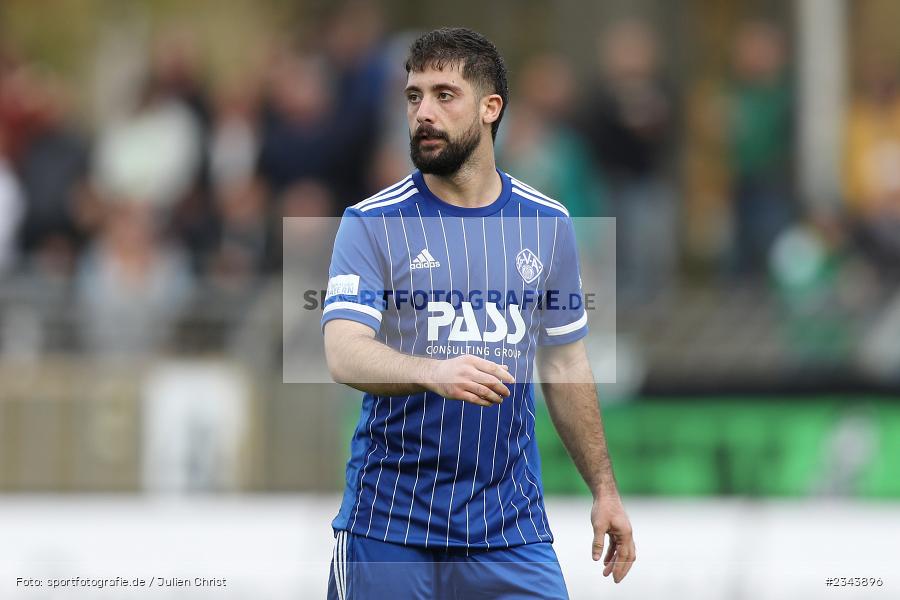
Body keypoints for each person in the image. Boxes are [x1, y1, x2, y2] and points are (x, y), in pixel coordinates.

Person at [320, 28, 635, 599]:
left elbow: (564, 366)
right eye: (414, 97)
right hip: (389, 525)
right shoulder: (370, 222)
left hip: (509, 529)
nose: (423, 113)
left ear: (491, 109)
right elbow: (342, 351)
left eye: (445, 95)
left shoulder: (548, 225)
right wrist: (431, 370)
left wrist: (604, 490)